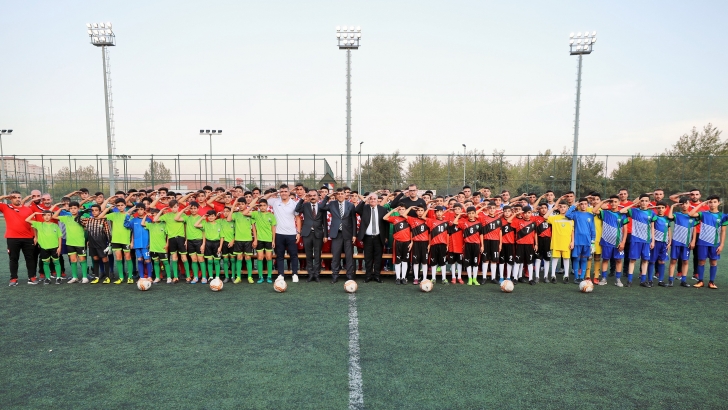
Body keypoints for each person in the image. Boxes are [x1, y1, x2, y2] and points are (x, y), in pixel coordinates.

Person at [687, 195, 727, 289]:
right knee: (701, 261)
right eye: (710, 202)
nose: (712, 204)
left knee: (713, 262)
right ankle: (700, 281)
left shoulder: (723, 216)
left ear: (719, 203)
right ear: (707, 203)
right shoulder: (703, 214)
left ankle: (711, 282)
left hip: (714, 243)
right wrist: (701, 204)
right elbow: (691, 214)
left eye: (714, 202)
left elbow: (723, 231)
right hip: (702, 243)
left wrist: (721, 245)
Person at [264, 185, 301, 282]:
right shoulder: (275, 202)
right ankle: (281, 274)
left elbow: (298, 218)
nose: (283, 193)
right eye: (282, 191)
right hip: (279, 233)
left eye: (285, 191)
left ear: (289, 192)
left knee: (293, 255)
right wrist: (274, 193)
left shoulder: (294, 203)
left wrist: (298, 232)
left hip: (292, 233)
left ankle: (295, 274)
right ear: (279, 192)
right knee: (279, 255)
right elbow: (263, 199)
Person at [0, 191, 37, 286]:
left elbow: (33, 224)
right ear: (10, 199)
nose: (17, 199)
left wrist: (35, 236)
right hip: (12, 238)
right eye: (14, 197)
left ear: (21, 198)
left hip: (28, 238)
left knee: (30, 258)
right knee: (13, 259)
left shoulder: (28, 210)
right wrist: (5, 196)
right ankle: (13, 279)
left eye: (19, 197)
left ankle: (32, 277)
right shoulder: (6, 207)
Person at [620, 194, 657, 287]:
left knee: (645, 260)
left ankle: (643, 281)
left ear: (649, 202)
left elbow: (652, 227)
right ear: (639, 202)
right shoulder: (634, 211)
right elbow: (621, 211)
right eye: (642, 201)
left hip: (646, 240)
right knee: (632, 260)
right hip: (635, 240)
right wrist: (634, 204)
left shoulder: (652, 213)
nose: (644, 202)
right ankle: (629, 281)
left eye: (646, 201)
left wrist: (653, 241)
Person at [321, 188, 357, 283]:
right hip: (336, 234)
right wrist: (328, 196)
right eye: (338, 194)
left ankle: (350, 275)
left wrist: (354, 234)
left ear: (345, 195)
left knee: (349, 256)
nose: (340, 195)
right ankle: (335, 275)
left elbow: (354, 220)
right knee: (335, 256)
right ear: (336, 195)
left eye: (342, 193)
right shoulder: (332, 204)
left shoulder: (350, 205)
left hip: (348, 233)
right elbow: (321, 207)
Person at [591, 196, 628, 287]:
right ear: (609, 203)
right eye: (611, 202)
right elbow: (594, 210)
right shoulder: (605, 213)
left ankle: (618, 279)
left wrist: (623, 242)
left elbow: (625, 230)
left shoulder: (622, 215)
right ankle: (604, 278)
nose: (613, 203)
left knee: (618, 260)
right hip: (606, 241)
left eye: (615, 201)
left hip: (618, 242)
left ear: (619, 202)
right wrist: (604, 201)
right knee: (605, 260)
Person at [296, 189, 330, 282]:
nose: (312, 197)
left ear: (318, 196)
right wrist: (302, 198)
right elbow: (297, 209)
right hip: (307, 234)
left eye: (314, 195)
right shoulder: (305, 205)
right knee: (309, 255)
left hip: (318, 234)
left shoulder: (322, 206)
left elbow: (325, 222)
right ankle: (310, 274)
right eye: (310, 196)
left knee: (318, 255)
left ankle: (317, 274)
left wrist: (325, 235)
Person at [99, 198, 135, 284]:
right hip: (115, 240)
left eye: (122, 205)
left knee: (128, 257)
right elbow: (100, 216)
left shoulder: (129, 216)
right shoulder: (113, 215)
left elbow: (133, 230)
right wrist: (108, 208)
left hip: (126, 240)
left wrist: (132, 241)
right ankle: (121, 277)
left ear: (125, 206)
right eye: (118, 206)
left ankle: (130, 277)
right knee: (118, 258)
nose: (120, 207)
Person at [355, 193, 388, 283]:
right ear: (368, 200)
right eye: (371, 199)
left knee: (378, 258)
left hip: (379, 237)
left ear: (377, 200)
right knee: (368, 257)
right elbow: (356, 209)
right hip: (367, 238)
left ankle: (377, 276)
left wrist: (386, 236)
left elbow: (386, 224)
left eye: (374, 199)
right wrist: (365, 199)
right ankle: (368, 276)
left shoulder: (383, 209)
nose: (372, 200)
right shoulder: (364, 208)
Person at [243, 198, 277, 283]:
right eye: (260, 205)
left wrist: (273, 240)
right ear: (258, 207)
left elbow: (273, 229)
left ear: (267, 206)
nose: (262, 207)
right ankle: (260, 276)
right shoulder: (256, 214)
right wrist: (253, 206)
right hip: (259, 240)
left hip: (268, 239)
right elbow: (244, 213)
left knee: (269, 258)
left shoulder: (271, 215)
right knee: (260, 257)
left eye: (264, 205)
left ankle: (269, 276)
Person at [54, 201, 88, 283]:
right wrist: (61, 208)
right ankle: (74, 277)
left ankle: (85, 277)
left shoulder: (82, 217)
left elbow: (86, 227)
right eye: (71, 208)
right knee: (73, 260)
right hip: (70, 243)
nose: (73, 210)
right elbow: (54, 216)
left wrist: (84, 225)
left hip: (80, 242)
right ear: (69, 209)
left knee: (82, 260)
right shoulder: (66, 218)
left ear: (78, 208)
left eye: (75, 208)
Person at [26, 210, 63, 284]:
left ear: (51, 216)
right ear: (42, 217)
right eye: (45, 215)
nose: (47, 217)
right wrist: (35, 213)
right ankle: (47, 278)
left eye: (49, 215)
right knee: (46, 263)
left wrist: (59, 247)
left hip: (54, 247)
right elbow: (27, 220)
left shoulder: (55, 225)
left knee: (56, 262)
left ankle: (58, 277)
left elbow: (59, 237)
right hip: (44, 247)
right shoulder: (39, 224)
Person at [565, 197, 597, 284]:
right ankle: (576, 277)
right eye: (581, 204)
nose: (583, 206)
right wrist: (573, 205)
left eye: (585, 204)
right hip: (577, 240)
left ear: (587, 205)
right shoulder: (575, 214)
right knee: (576, 259)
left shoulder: (590, 215)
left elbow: (592, 229)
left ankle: (582, 277)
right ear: (579, 205)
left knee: (584, 259)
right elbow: (567, 214)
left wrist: (593, 241)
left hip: (587, 241)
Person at [544, 198, 575, 283]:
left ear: (567, 208)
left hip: (567, 242)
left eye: (564, 207)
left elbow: (572, 231)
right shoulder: (555, 218)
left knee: (566, 259)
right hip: (556, 242)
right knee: (555, 258)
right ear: (559, 208)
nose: (562, 208)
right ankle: (553, 275)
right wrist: (553, 209)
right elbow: (545, 217)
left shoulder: (570, 218)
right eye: (561, 207)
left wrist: (572, 242)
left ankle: (566, 276)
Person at [667, 199, 696, 287]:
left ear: (689, 204)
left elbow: (694, 229)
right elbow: (669, 217)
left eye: (686, 203)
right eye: (682, 204)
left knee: (685, 261)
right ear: (680, 205)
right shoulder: (677, 215)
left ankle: (683, 280)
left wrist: (693, 240)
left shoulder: (693, 216)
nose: (684, 205)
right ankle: (670, 280)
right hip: (676, 241)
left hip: (686, 242)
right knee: (673, 260)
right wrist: (672, 206)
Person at [228, 198, 258, 284]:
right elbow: (228, 219)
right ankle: (238, 277)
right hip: (238, 240)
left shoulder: (249, 214)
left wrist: (255, 240)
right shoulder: (235, 214)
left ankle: (249, 277)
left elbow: (254, 228)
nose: (241, 205)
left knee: (248, 258)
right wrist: (233, 206)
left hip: (248, 239)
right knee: (239, 258)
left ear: (246, 205)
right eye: (239, 204)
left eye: (242, 204)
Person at [80, 205, 112, 284]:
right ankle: (96, 277)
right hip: (92, 244)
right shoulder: (88, 220)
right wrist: (83, 212)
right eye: (92, 210)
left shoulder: (103, 221)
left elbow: (108, 233)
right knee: (95, 259)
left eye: (96, 210)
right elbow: (77, 219)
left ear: (100, 211)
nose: (94, 212)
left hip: (101, 244)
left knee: (104, 259)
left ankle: (107, 277)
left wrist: (109, 244)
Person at [142, 209, 175, 283]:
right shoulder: (151, 225)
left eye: (155, 215)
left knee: (165, 262)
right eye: (153, 215)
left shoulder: (164, 225)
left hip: (162, 247)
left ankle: (169, 277)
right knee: (156, 262)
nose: (154, 216)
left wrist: (167, 244)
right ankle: (157, 277)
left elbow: (168, 235)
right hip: (153, 248)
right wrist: (146, 215)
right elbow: (142, 223)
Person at [454, 206, 484, 285]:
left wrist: (482, 245)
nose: (471, 215)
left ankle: (475, 279)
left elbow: (481, 235)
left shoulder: (478, 223)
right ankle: (470, 279)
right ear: (467, 214)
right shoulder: (464, 223)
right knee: (468, 263)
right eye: (469, 213)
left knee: (475, 263)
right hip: (467, 245)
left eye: (472, 213)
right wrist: (460, 214)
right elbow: (455, 222)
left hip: (476, 245)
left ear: (475, 214)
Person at [125, 205, 153, 282]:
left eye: (141, 209)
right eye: (138, 209)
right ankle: (141, 277)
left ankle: (149, 276)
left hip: (146, 244)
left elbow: (151, 232)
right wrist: (128, 214)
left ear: (144, 210)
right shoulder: (134, 220)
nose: (140, 211)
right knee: (140, 259)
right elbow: (126, 225)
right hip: (137, 244)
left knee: (147, 260)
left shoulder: (148, 220)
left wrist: (150, 242)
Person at [511, 206, 538, 285]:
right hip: (520, 245)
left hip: (530, 245)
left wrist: (536, 244)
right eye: (525, 213)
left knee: (530, 262)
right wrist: (516, 213)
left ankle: (530, 279)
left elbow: (535, 234)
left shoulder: (533, 223)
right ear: (522, 214)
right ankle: (515, 278)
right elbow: (509, 221)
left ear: (531, 213)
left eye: (529, 213)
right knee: (517, 262)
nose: (527, 214)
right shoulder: (518, 222)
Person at [384, 206, 411, 284]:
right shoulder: (395, 218)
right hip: (397, 242)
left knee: (405, 261)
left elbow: (412, 231)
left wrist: (411, 242)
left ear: (406, 210)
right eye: (400, 209)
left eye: (403, 209)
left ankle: (403, 277)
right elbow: (385, 218)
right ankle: (398, 278)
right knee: (397, 260)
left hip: (407, 242)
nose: (401, 211)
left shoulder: (409, 219)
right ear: (398, 211)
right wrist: (393, 211)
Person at [195, 210, 223, 283]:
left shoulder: (219, 225)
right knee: (209, 261)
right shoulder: (205, 224)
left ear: (215, 217)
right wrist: (202, 217)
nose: (211, 217)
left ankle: (217, 277)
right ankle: (210, 276)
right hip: (208, 243)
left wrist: (220, 247)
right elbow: (196, 225)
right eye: (209, 216)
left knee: (216, 261)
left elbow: (222, 237)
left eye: (212, 216)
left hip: (217, 244)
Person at [426, 206, 450, 284]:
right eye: (437, 212)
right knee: (433, 262)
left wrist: (447, 244)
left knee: (443, 262)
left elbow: (448, 234)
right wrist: (428, 209)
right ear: (435, 213)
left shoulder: (446, 222)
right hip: (434, 244)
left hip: (443, 244)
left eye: (440, 211)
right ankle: (433, 278)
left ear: (443, 212)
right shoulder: (431, 221)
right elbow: (423, 217)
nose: (439, 213)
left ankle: (444, 278)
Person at [407, 206, 430, 285]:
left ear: (424, 211)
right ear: (416, 212)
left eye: (421, 210)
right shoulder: (412, 220)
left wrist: (429, 244)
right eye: (418, 210)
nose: (420, 212)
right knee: (416, 262)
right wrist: (410, 208)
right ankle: (416, 278)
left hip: (425, 243)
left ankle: (424, 278)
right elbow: (404, 214)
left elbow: (430, 233)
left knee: (424, 262)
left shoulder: (427, 220)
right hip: (416, 243)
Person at [480, 201, 502, 283]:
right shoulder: (484, 219)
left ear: (496, 209)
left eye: (493, 208)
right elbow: (481, 233)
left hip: (495, 241)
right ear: (488, 209)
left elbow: (500, 232)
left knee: (494, 260)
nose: (492, 210)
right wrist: (482, 244)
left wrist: (500, 243)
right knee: (485, 260)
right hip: (486, 241)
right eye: (490, 208)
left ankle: (493, 278)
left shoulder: (498, 220)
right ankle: (484, 277)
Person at [447, 203, 465, 284]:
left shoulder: (464, 220)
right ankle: (453, 277)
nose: (457, 210)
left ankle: (459, 277)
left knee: (460, 262)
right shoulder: (450, 218)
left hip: (460, 243)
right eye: (455, 209)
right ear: (453, 210)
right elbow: (452, 225)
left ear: (461, 210)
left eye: (459, 209)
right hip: (452, 243)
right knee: (453, 261)